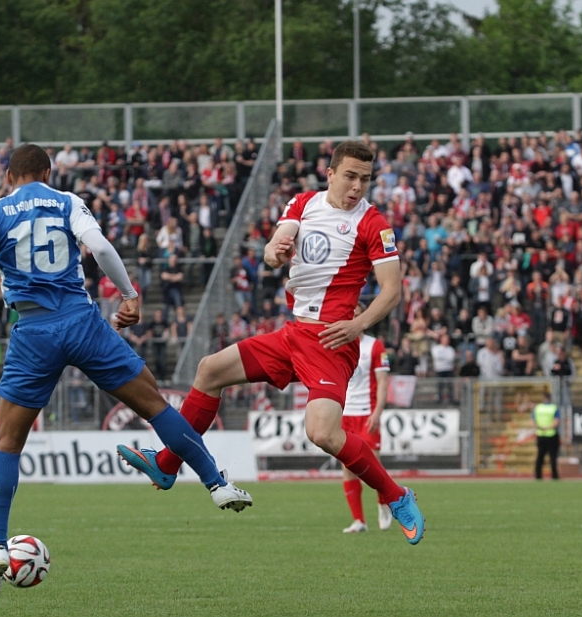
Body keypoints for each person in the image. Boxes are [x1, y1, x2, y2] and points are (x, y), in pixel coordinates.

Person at [0, 144, 251, 599]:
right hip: (81, 321)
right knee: (155, 405)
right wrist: (129, 294)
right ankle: (216, 483)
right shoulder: (68, 201)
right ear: (48, 172)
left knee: (8, 442)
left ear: (9, 176)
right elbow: (101, 247)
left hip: (33, 331)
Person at [117, 141, 425, 545]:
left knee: (322, 432)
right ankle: (167, 464)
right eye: (350, 176)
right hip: (294, 334)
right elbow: (274, 247)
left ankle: (397, 495)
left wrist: (358, 325)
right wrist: (273, 253)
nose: (357, 186)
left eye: (364, 179)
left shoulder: (373, 223)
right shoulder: (303, 203)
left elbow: (392, 290)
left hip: (332, 341)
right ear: (330, 174)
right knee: (210, 370)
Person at [340, 303, 391, 534]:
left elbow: (382, 382)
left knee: (373, 466)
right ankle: (359, 521)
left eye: (358, 315)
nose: (354, 319)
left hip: (367, 414)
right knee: (348, 468)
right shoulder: (339, 343)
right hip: (345, 415)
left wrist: (377, 412)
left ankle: (383, 503)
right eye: (351, 315)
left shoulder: (374, 346)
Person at [532, 392, 560, 480]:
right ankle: (554, 476)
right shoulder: (554, 408)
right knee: (553, 457)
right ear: (550, 398)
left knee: (540, 456)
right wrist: (547, 427)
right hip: (551, 435)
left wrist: (540, 427)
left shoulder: (538, 408)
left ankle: (538, 475)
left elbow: (533, 421)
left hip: (540, 434)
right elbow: (556, 422)